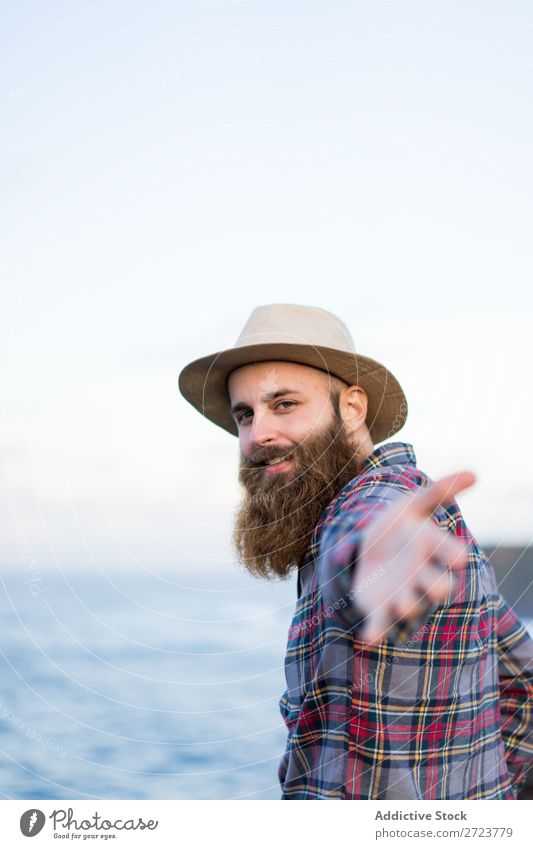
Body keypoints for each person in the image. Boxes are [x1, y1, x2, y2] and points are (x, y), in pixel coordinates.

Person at [178, 303, 533, 800]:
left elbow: (363, 535)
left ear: (352, 408)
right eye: (245, 415)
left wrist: (371, 559)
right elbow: (524, 685)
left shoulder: (383, 501)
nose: (258, 434)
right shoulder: (419, 522)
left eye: (284, 405)